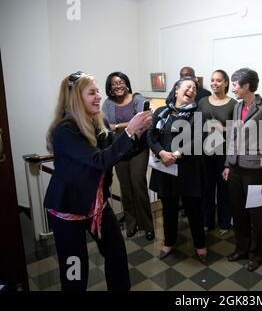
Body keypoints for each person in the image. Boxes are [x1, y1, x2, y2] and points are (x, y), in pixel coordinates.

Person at [44, 71, 152, 291]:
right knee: (75, 268)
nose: (98, 97)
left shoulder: (98, 120)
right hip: (68, 209)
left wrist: (138, 133)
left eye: (98, 92)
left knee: (117, 254)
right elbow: (98, 160)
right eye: (92, 93)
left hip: (97, 205)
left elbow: (116, 149)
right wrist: (130, 132)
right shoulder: (65, 130)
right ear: (76, 98)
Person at [147, 76, 208, 263]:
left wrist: (175, 154)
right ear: (176, 90)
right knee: (169, 209)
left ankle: (200, 246)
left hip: (189, 170)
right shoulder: (161, 112)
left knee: (194, 211)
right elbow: (151, 136)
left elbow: (198, 140)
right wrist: (161, 153)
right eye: (188, 87)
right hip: (165, 169)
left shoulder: (199, 114)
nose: (192, 91)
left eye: (195, 89)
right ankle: (169, 242)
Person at [222, 68, 262, 272]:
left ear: (246, 86)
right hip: (235, 168)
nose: (233, 88)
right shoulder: (237, 107)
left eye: (235, 85)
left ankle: (257, 253)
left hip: (255, 169)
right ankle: (242, 248)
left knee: (255, 214)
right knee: (238, 211)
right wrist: (228, 164)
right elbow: (233, 137)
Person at [102, 72, 155, 241]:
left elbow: (145, 119)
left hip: (138, 149)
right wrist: (129, 124)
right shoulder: (108, 104)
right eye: (114, 84)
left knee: (138, 184)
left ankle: (147, 225)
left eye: (121, 82)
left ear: (126, 84)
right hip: (119, 151)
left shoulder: (137, 99)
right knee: (126, 189)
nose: (117, 86)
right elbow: (105, 126)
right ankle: (131, 224)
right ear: (110, 88)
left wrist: (118, 126)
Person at [198, 70, 236, 235]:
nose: (214, 83)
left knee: (224, 189)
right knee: (206, 188)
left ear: (226, 83)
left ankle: (224, 223)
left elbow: (239, 129)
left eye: (219, 80)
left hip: (224, 153)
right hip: (205, 152)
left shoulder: (233, 104)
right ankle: (207, 221)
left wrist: (224, 128)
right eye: (212, 80)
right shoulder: (203, 102)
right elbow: (196, 125)